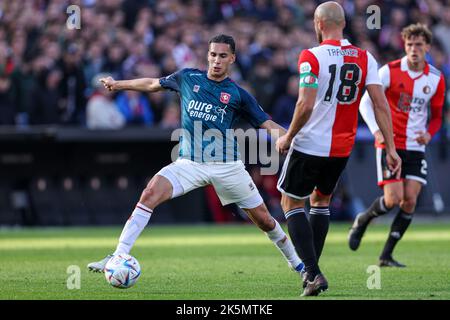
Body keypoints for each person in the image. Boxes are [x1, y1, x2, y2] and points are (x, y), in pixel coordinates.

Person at [87, 34, 305, 284]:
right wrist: (118, 84)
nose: (216, 61)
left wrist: (290, 139)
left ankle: (297, 264)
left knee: (265, 221)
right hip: (189, 163)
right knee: (149, 194)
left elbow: (266, 123)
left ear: (232, 58)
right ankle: (118, 254)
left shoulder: (238, 94)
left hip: (227, 166)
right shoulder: (188, 78)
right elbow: (151, 84)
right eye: (213, 55)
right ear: (207, 55)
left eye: (223, 56)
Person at [275, 1, 401, 296]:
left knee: (291, 204)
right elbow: (380, 104)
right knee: (320, 203)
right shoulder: (365, 58)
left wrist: (288, 136)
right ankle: (311, 273)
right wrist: (391, 147)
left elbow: (305, 103)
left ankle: (313, 272)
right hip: (341, 148)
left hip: (310, 144)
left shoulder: (311, 56)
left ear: (319, 24)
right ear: (342, 24)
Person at [349, 23, 445, 267]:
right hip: (391, 143)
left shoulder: (436, 78)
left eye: (419, 45)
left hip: (415, 146)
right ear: (404, 45)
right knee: (393, 199)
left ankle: (385, 255)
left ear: (427, 47)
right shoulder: (388, 71)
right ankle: (363, 219)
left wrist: (429, 134)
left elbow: (436, 116)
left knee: (410, 200)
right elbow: (364, 104)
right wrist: (377, 131)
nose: (414, 49)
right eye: (410, 44)